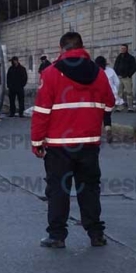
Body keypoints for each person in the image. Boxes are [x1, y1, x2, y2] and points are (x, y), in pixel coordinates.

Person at [31, 32, 114, 248]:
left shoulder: (50, 73)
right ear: (82, 47)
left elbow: (41, 111)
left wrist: (37, 141)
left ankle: (57, 236)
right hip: (89, 142)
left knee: (58, 189)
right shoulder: (99, 73)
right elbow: (110, 103)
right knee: (90, 188)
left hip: (59, 145)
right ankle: (96, 234)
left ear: (62, 49)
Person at [95, 56, 121, 144]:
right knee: (107, 116)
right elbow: (117, 82)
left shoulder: (94, 72)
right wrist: (115, 91)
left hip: (98, 99)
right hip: (109, 97)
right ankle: (108, 129)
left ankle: (96, 135)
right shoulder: (110, 71)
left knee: (97, 117)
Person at [113, 44, 136, 112]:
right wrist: (117, 74)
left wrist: (129, 75)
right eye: (121, 48)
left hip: (127, 78)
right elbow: (115, 66)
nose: (122, 49)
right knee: (120, 93)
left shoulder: (131, 58)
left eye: (124, 48)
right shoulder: (119, 57)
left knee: (129, 92)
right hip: (119, 77)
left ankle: (130, 107)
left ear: (126, 49)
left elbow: (134, 67)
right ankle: (120, 107)